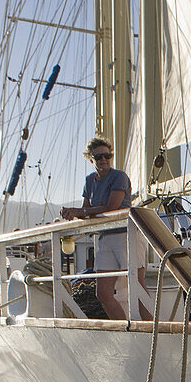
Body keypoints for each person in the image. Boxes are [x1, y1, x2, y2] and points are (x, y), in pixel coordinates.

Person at [60, 137, 147, 320]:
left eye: (107, 155)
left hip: (126, 234)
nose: (103, 159)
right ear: (91, 159)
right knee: (103, 294)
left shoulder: (119, 177)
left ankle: (153, 328)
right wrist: (72, 213)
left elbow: (112, 207)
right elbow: (86, 209)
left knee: (136, 285)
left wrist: (81, 211)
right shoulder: (89, 181)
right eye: (98, 157)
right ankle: (124, 329)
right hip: (105, 238)